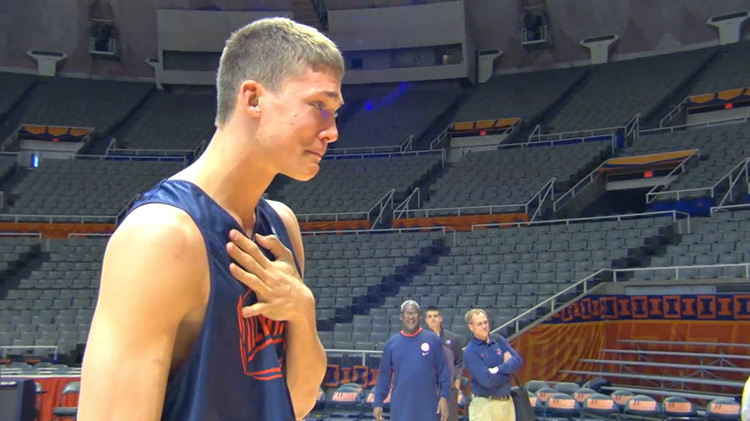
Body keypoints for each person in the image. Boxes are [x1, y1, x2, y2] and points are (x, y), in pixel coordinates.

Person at [77, 17, 344, 421]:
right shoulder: (160, 237)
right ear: (253, 99)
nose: (333, 131)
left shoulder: (281, 225)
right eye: (318, 106)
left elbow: (297, 402)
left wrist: (302, 313)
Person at [373, 300, 451, 421]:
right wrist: (378, 402)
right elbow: (384, 376)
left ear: (420, 316)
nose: (411, 317)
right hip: (401, 407)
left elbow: (443, 372)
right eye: (407, 313)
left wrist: (444, 396)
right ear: (401, 317)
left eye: (414, 313)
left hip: (428, 406)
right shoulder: (391, 344)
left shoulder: (432, 340)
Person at [462, 309, 523, 421]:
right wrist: (508, 370)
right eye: (479, 324)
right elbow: (487, 381)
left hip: (507, 402)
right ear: (471, 327)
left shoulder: (498, 340)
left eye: (485, 322)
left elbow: (518, 360)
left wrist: (499, 368)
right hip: (485, 405)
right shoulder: (470, 351)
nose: (484, 326)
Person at [425, 305, 465, 421]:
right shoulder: (420, 339)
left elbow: (459, 361)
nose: (433, 319)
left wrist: (457, 382)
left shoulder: (451, 338)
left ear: (441, 318)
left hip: (449, 389)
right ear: (426, 320)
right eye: (430, 316)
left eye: (435, 316)